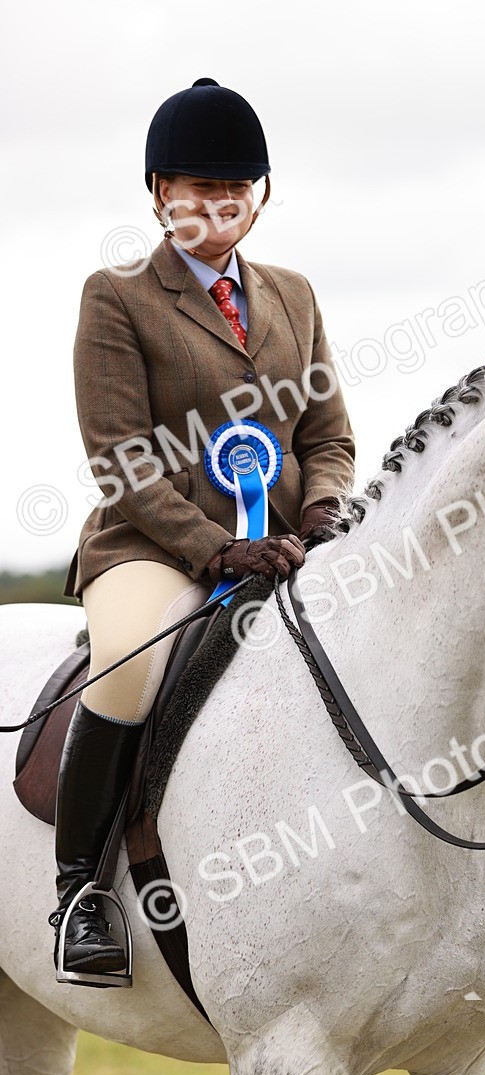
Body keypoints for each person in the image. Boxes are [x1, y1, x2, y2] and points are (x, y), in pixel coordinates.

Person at [49, 78, 355, 979]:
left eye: (236, 188)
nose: (217, 205)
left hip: (294, 544)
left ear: (260, 194)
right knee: (134, 664)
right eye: (193, 187)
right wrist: (213, 548)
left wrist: (329, 509)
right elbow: (120, 459)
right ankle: (81, 896)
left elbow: (328, 434)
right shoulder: (116, 297)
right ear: (158, 195)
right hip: (151, 546)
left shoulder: (294, 296)